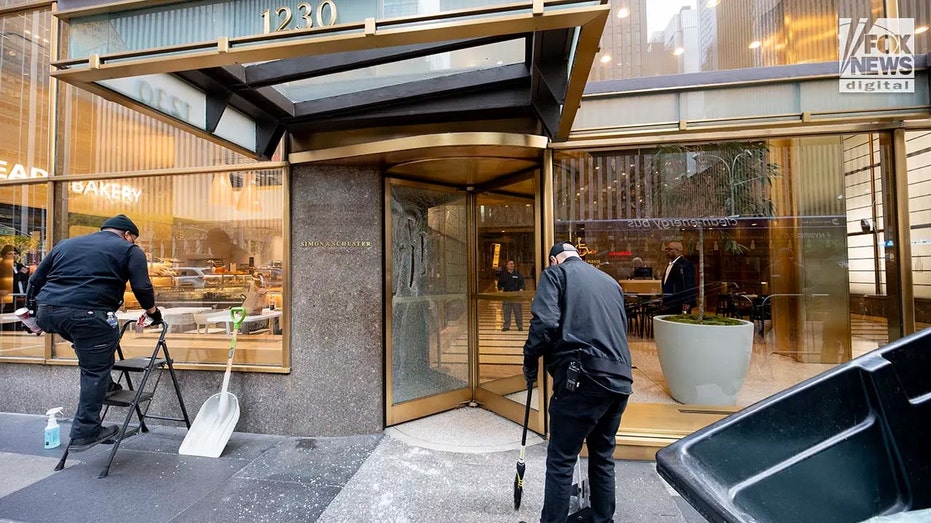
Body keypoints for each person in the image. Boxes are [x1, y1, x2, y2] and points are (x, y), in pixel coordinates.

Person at [27, 214, 163, 451]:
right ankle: (86, 431)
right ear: (128, 235)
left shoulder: (66, 244)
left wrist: (32, 315)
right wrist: (153, 312)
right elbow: (141, 286)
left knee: (92, 347)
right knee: (95, 365)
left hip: (49, 311)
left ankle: (107, 385)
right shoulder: (130, 250)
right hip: (88, 314)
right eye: (133, 238)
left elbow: (36, 280)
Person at [522, 242, 633, 523]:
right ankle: (601, 519)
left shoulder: (556, 274)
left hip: (582, 378)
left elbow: (544, 324)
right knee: (602, 455)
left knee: (561, 459)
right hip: (619, 381)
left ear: (553, 260)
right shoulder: (610, 282)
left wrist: (529, 360)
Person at [661, 241, 696, 314]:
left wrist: (687, 301)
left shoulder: (684, 264)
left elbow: (689, 283)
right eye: (666, 249)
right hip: (670, 301)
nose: (667, 251)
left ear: (678, 250)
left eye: (670, 249)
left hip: (679, 301)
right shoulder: (671, 264)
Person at [497, 259, 525, 331]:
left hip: (516, 296)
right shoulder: (503, 275)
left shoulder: (517, 274)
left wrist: (521, 289)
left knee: (518, 311)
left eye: (513, 264)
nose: (512, 265)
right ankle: (506, 326)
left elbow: (522, 283)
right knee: (506, 311)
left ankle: (519, 326)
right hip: (507, 295)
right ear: (507, 266)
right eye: (510, 264)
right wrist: (500, 290)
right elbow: (499, 284)